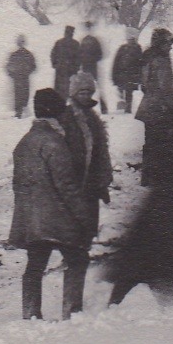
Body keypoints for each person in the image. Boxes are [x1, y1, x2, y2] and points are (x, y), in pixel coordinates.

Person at [104, 90, 173, 308]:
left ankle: (122, 296)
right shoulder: (172, 128)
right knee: (147, 249)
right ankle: (122, 297)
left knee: (144, 248)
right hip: (165, 197)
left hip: (165, 196)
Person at [8, 90, 88, 320]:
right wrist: (82, 214)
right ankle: (72, 312)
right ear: (56, 113)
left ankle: (30, 313)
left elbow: (18, 184)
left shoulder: (24, 142)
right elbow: (66, 185)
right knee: (77, 259)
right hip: (56, 219)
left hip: (32, 219)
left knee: (35, 265)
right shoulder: (54, 143)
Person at [63, 72, 113, 302]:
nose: (85, 95)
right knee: (74, 247)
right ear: (73, 93)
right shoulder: (66, 117)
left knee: (84, 244)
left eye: (88, 91)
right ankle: (72, 302)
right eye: (80, 91)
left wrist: (103, 181)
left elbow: (102, 152)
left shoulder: (94, 118)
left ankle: (74, 301)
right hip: (73, 190)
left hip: (91, 190)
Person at [136, 27, 173, 189]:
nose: (170, 47)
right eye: (168, 44)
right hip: (161, 108)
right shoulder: (161, 61)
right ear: (160, 44)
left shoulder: (148, 57)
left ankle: (147, 177)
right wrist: (172, 110)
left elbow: (144, 84)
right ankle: (163, 178)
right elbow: (165, 88)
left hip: (148, 106)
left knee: (150, 142)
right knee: (164, 143)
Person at [112, 28, 144, 116]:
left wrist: (139, 77)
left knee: (129, 92)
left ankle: (128, 110)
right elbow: (116, 62)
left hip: (131, 76)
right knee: (121, 92)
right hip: (121, 75)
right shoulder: (122, 48)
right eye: (130, 39)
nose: (131, 41)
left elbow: (140, 64)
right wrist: (114, 76)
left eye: (133, 39)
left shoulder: (138, 49)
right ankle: (122, 108)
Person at [4, 36, 38, 120]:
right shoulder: (28, 54)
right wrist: (27, 72)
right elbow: (33, 66)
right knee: (24, 94)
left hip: (17, 78)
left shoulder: (14, 54)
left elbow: (8, 67)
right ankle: (22, 111)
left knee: (18, 95)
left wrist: (13, 75)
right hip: (24, 77)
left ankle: (18, 112)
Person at [78, 23, 109, 114]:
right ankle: (94, 107)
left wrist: (90, 59)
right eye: (87, 28)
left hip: (91, 67)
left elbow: (100, 54)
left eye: (89, 28)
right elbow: (79, 54)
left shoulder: (90, 40)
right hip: (88, 67)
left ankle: (102, 107)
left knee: (93, 87)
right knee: (88, 87)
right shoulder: (85, 40)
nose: (88, 30)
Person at [51, 25, 81, 97]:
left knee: (61, 91)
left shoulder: (59, 42)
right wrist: (76, 67)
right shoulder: (75, 44)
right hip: (69, 71)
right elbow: (79, 58)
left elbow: (53, 54)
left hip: (62, 71)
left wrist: (55, 64)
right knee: (70, 91)